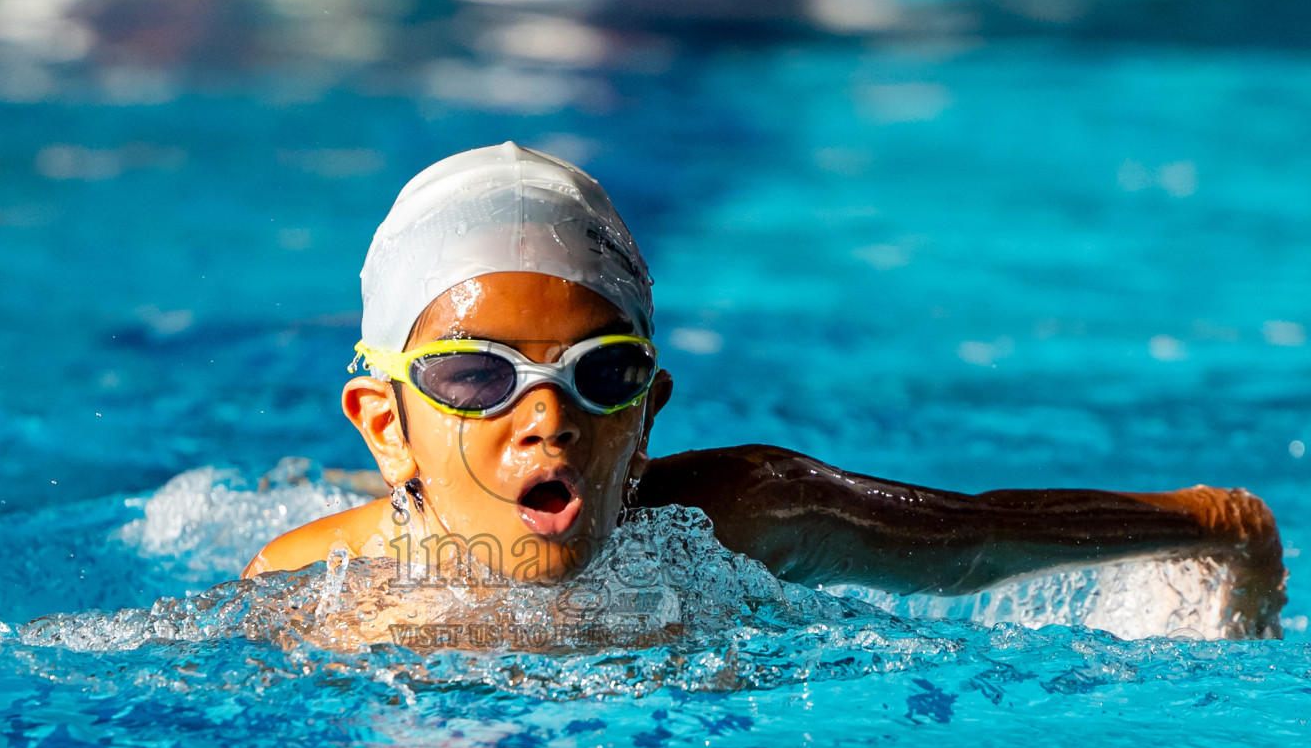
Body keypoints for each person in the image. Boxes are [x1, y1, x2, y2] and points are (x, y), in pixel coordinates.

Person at [245, 142, 1286, 639]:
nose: (548, 418)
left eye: (600, 375)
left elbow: (974, 540)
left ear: (647, 416)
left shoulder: (747, 514)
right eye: (478, 376)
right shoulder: (314, 591)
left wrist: (1217, 525)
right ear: (388, 425)